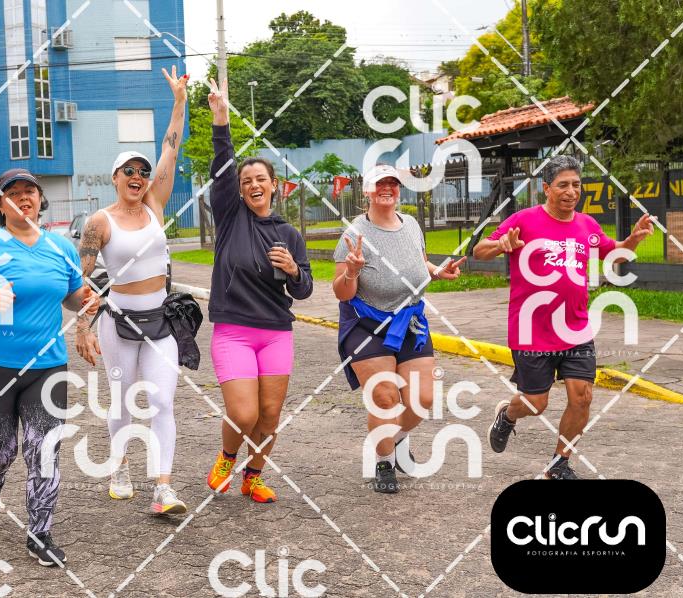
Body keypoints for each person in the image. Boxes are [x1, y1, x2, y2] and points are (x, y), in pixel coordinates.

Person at [0, 168, 98, 566]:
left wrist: (86, 302)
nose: (23, 197)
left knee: (43, 450)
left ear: (40, 200)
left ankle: (39, 533)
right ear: (0, 203)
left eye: (30, 191)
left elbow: (72, 296)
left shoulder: (60, 247)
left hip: (47, 366)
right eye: (13, 192)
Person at [473, 155, 653, 479]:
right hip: (532, 330)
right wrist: (501, 243)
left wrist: (632, 241)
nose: (571, 192)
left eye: (576, 185)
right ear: (546, 188)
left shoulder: (587, 225)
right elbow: (479, 250)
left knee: (582, 397)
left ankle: (559, 464)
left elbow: (612, 252)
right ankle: (508, 415)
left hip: (575, 328)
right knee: (536, 403)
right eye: (563, 185)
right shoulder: (525, 220)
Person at [74, 66, 189, 514]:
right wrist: (82, 326)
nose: (138, 175)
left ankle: (163, 488)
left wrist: (179, 102)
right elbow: (82, 279)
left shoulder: (155, 204)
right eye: (129, 171)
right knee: (122, 401)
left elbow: (170, 149)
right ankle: (119, 465)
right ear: (115, 177)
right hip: (118, 322)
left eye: (142, 170)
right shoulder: (99, 222)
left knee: (161, 400)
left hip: (161, 320)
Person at [203, 78, 313, 504]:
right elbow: (222, 167)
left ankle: (253, 476)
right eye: (246, 179)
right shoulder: (231, 216)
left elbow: (304, 289)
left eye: (260, 179)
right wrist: (221, 120)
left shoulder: (289, 233)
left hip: (276, 332)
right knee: (244, 412)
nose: (253, 184)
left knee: (269, 415)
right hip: (234, 330)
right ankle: (227, 458)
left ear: (274, 185)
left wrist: (293, 271)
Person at [332, 164, 466, 493]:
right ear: (367, 191)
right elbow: (342, 293)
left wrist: (438, 271)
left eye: (393, 183)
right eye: (380, 183)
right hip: (366, 324)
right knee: (385, 396)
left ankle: (395, 440)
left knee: (422, 399)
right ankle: (384, 462)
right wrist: (352, 271)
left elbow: (419, 263)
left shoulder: (412, 225)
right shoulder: (353, 234)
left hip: (410, 321)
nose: (387, 188)